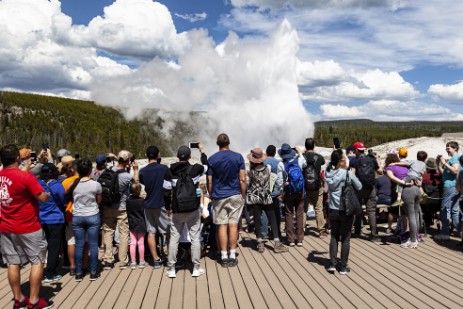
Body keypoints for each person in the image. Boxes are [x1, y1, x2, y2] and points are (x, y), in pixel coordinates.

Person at [0, 144, 52, 309]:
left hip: (6, 226)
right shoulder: (26, 178)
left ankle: (19, 299)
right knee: (36, 261)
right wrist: (47, 194)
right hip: (28, 226)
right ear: (17, 158)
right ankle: (35, 300)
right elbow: (42, 198)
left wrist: (27, 168)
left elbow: (13, 182)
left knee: (12, 262)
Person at [165, 144, 208, 278]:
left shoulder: (170, 170)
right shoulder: (196, 169)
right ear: (190, 156)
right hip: (192, 209)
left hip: (177, 209)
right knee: (195, 237)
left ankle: (171, 269)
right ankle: (196, 267)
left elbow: (166, 190)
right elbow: (207, 166)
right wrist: (202, 152)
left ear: (177, 156)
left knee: (174, 239)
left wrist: (168, 207)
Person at [207, 133, 246, 267]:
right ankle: (232, 253)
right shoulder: (238, 157)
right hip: (235, 194)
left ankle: (223, 255)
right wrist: (243, 194)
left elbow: (210, 181)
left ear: (217, 144)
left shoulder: (212, 159)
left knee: (221, 225)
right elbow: (242, 179)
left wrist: (211, 194)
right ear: (229, 142)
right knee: (233, 224)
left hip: (219, 195)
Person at [325, 149, 362, 275]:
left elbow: (330, 168)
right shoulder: (347, 174)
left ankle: (332, 264)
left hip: (333, 209)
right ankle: (343, 266)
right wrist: (353, 173)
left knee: (334, 236)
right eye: (344, 158)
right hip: (346, 209)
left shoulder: (328, 172)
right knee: (345, 239)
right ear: (341, 161)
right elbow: (359, 186)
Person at [101, 150, 139, 270]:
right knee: (123, 233)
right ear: (128, 161)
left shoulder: (108, 171)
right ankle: (123, 260)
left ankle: (108, 260)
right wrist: (136, 171)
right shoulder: (127, 176)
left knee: (108, 232)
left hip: (107, 206)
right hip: (122, 208)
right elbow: (136, 188)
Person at [247, 148, 288, 254]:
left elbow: (249, 184)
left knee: (257, 219)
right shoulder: (268, 168)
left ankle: (260, 243)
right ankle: (277, 243)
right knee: (272, 218)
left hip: (255, 198)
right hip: (266, 197)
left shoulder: (250, 172)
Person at [66, 159, 102, 281]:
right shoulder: (95, 184)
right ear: (90, 170)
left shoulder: (73, 185)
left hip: (77, 217)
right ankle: (93, 272)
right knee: (92, 245)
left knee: (79, 245)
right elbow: (99, 201)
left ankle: (78, 273)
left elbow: (71, 199)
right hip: (92, 215)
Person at [139, 146, 170, 269]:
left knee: (151, 232)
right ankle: (170, 257)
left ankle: (156, 260)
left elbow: (141, 188)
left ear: (146, 155)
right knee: (167, 231)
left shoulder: (142, 171)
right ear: (158, 154)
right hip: (161, 203)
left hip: (148, 204)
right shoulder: (164, 168)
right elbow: (168, 186)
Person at [350, 141, 383, 242]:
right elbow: (380, 172)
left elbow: (352, 174)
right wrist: (377, 160)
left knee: (357, 209)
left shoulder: (354, 160)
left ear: (356, 150)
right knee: (371, 211)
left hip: (358, 188)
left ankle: (357, 231)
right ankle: (374, 235)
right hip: (370, 187)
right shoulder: (371, 159)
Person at [38, 163, 66, 283]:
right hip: (55, 219)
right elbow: (63, 200)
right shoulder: (57, 185)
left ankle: (39, 270)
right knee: (54, 247)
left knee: (42, 246)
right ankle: (50, 273)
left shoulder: (37, 184)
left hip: (40, 219)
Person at [279, 143, 307, 246]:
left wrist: (281, 192)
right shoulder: (298, 160)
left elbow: (280, 181)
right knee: (299, 214)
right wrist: (300, 152)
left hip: (288, 192)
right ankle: (299, 239)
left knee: (289, 214)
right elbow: (305, 163)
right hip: (300, 191)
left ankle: (290, 239)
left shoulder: (281, 164)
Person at [435, 141, 461, 240]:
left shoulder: (455, 158)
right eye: (446, 147)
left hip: (450, 187)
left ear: (455, 148)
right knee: (454, 210)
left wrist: (444, 162)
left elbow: (455, 171)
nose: (447, 149)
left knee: (445, 209)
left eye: (448, 148)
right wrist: (439, 164)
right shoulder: (456, 158)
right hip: (455, 186)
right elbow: (445, 174)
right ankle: (460, 231)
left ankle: (445, 233)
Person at [303, 138, 327, 238]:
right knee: (318, 209)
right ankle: (321, 231)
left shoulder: (302, 157)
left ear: (305, 146)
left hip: (304, 187)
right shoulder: (319, 157)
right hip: (317, 187)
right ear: (314, 146)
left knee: (303, 209)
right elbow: (323, 162)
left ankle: (301, 229)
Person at [263, 145, 284, 239]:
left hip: (264, 192)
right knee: (276, 213)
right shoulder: (278, 163)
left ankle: (264, 233)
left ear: (267, 152)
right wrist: (280, 190)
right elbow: (280, 179)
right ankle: (277, 232)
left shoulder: (263, 162)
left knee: (264, 213)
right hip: (275, 193)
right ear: (275, 153)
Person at [126, 182, 147, 270]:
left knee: (133, 243)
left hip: (132, 223)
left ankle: (133, 262)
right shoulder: (142, 201)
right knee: (141, 243)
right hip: (141, 222)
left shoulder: (127, 200)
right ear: (139, 191)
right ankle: (142, 261)